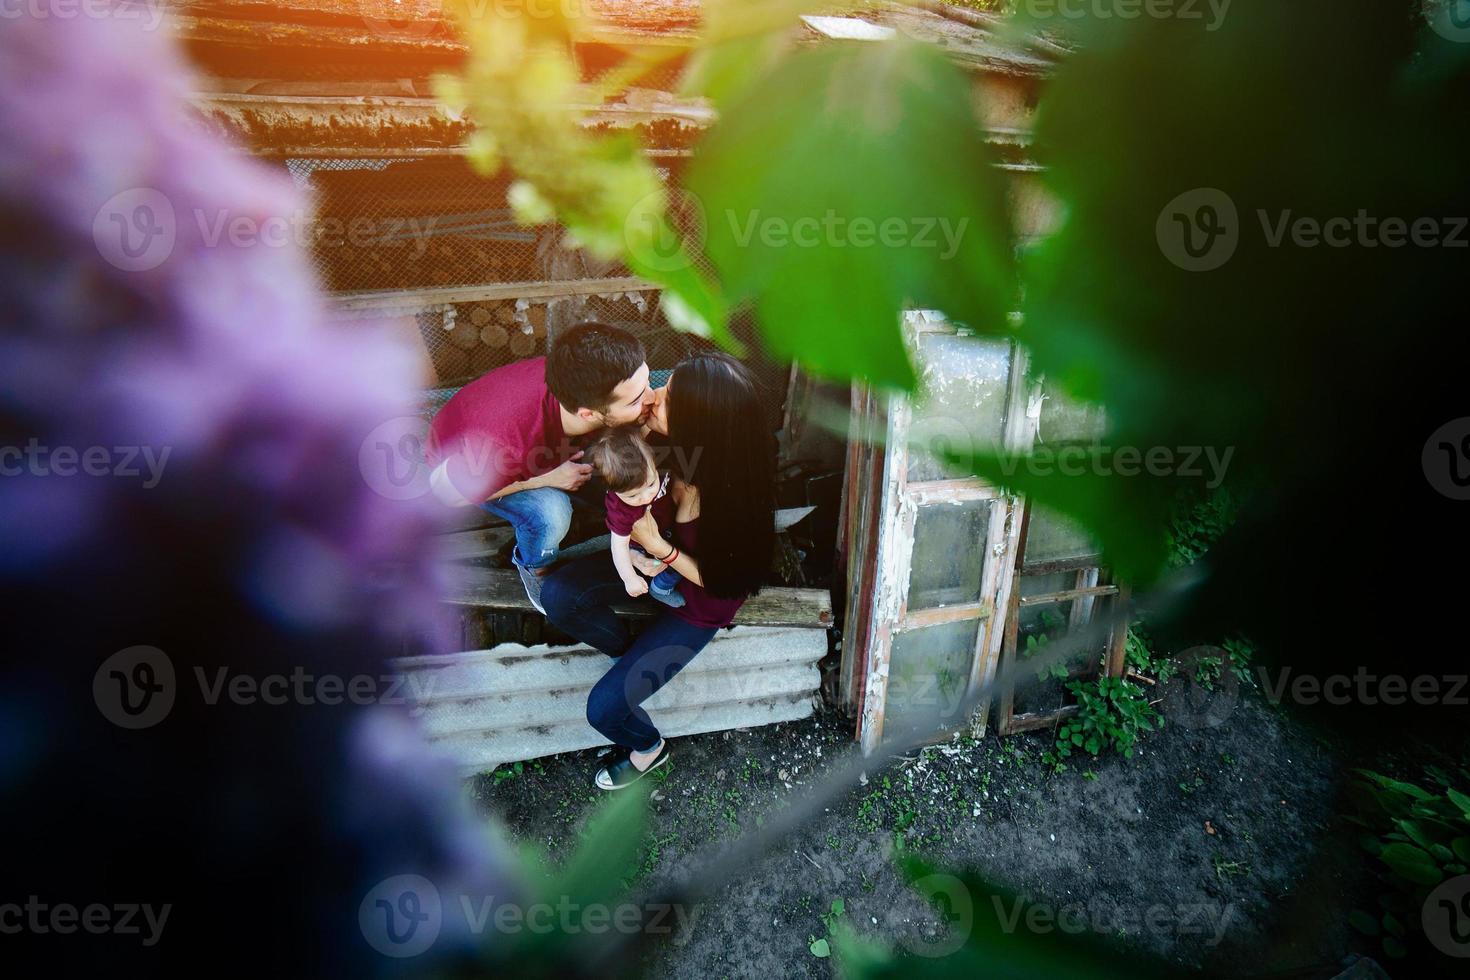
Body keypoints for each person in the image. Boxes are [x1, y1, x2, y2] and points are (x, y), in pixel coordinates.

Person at [541, 352, 776, 790]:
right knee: (558, 595)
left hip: (698, 603)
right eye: (664, 387)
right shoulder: (677, 448)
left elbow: (725, 583)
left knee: (604, 711)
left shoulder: (736, 497)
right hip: (651, 567)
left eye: (666, 398)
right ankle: (625, 650)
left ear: (698, 424)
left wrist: (658, 548)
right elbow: (608, 485)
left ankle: (649, 748)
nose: (652, 396)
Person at [424, 322, 653, 612]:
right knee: (551, 514)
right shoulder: (504, 446)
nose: (651, 397)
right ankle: (536, 570)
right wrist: (545, 477)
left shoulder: (588, 378)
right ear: (588, 413)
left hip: (539, 441)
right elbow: (445, 493)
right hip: (466, 467)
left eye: (646, 383)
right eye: (636, 399)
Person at [585, 425, 686, 608]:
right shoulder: (621, 509)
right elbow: (618, 546)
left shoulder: (649, 462)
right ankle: (661, 587)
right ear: (612, 491)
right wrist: (629, 577)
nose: (646, 496)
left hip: (668, 525)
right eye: (633, 496)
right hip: (639, 543)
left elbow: (646, 431)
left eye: (651, 484)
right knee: (671, 563)